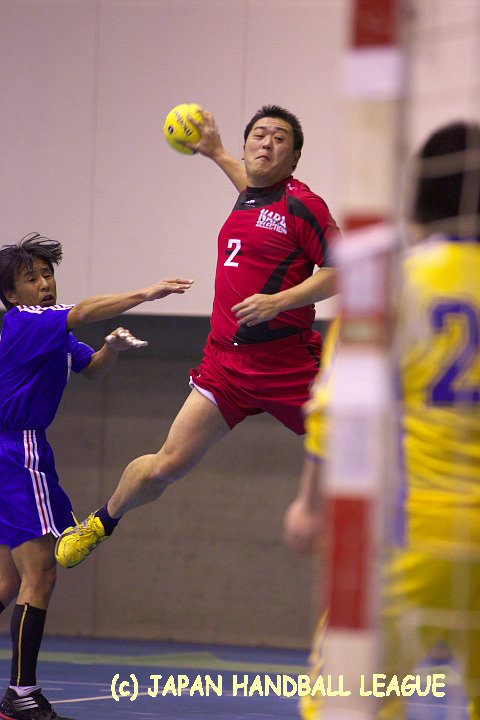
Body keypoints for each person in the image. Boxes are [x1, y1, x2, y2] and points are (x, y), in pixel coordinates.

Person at [54, 104, 340, 568]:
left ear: (294, 158)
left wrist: (279, 302)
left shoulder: (303, 205)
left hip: (287, 364)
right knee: (165, 467)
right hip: (225, 365)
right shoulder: (250, 195)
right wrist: (215, 151)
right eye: (259, 135)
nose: (267, 143)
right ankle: (101, 522)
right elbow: (249, 181)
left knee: (351, 448)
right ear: (246, 147)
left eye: (279, 138)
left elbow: (341, 270)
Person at [284, 120, 480, 719]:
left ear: (418, 195)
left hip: (411, 533)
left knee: (348, 701)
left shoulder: (393, 284)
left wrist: (310, 503)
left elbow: (336, 405)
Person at [0, 233, 193, 720]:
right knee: (41, 573)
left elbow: (94, 371)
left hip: (16, 450)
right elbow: (85, 310)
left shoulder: (50, 331)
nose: (44, 284)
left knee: (5, 582)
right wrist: (145, 293)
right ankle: (21, 697)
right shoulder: (27, 321)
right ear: (10, 295)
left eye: (47, 275)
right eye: (31, 278)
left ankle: (20, 695)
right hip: (17, 452)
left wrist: (112, 348)